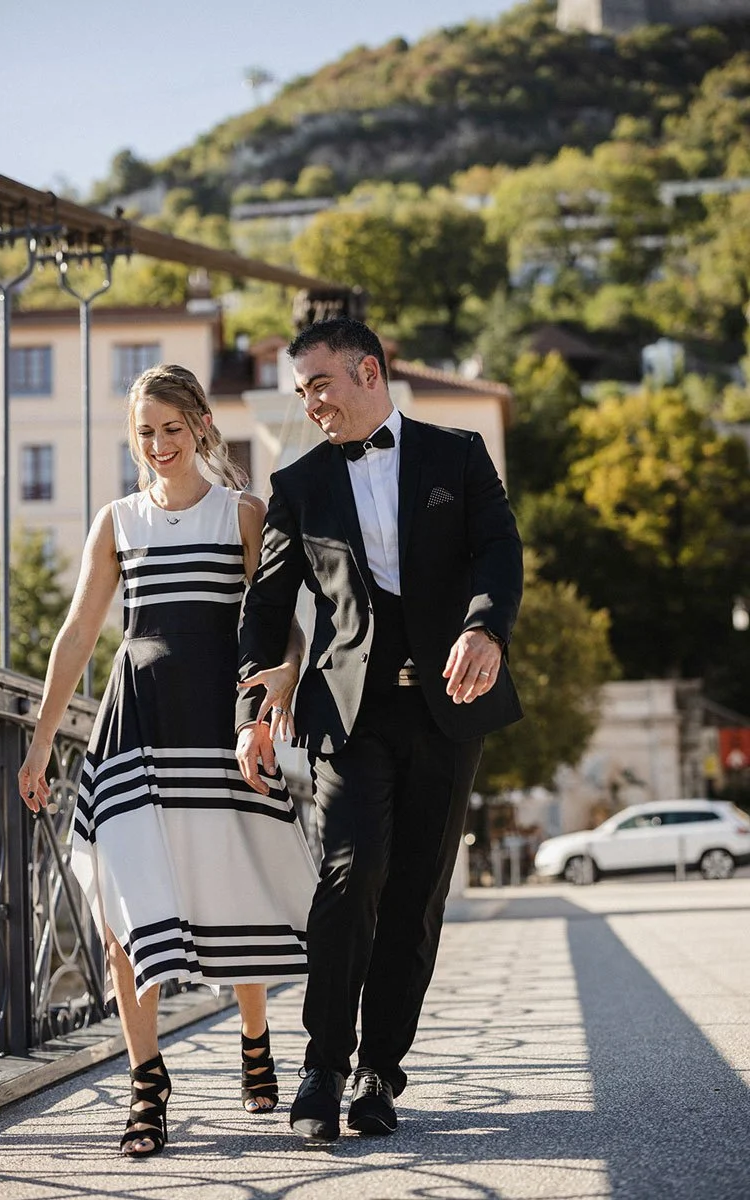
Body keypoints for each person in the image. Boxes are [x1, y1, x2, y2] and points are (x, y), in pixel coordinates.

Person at [18, 364, 318, 1158]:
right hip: (134, 730)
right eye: (145, 432)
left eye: (172, 429)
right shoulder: (116, 521)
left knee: (232, 885)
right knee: (124, 908)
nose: (158, 445)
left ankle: (255, 1036)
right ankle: (146, 1084)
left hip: (219, 727)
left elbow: (277, 622)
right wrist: (43, 740)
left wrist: (280, 684)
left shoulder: (242, 513)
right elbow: (77, 634)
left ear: (203, 426)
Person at [236, 318, 523, 1143]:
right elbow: (267, 606)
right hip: (347, 715)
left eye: (319, 384)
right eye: (301, 392)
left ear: (368, 371)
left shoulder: (458, 455)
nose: (311, 404)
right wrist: (253, 712)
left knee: (416, 896)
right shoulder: (299, 483)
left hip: (448, 706)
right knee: (349, 872)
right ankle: (322, 1064)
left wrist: (485, 628)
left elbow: (498, 551)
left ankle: (377, 1074)